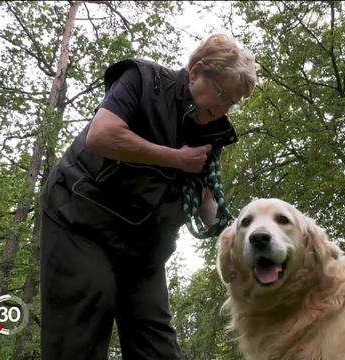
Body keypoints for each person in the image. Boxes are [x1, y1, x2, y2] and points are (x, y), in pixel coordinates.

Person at [39, 33, 257, 359]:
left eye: (233, 103)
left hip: (144, 247)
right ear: (196, 71)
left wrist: (241, 233)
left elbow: (208, 200)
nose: (225, 108)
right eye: (223, 94)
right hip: (79, 218)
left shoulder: (213, 130)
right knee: (87, 310)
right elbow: (103, 135)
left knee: (157, 346)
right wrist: (175, 158)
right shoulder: (143, 79)